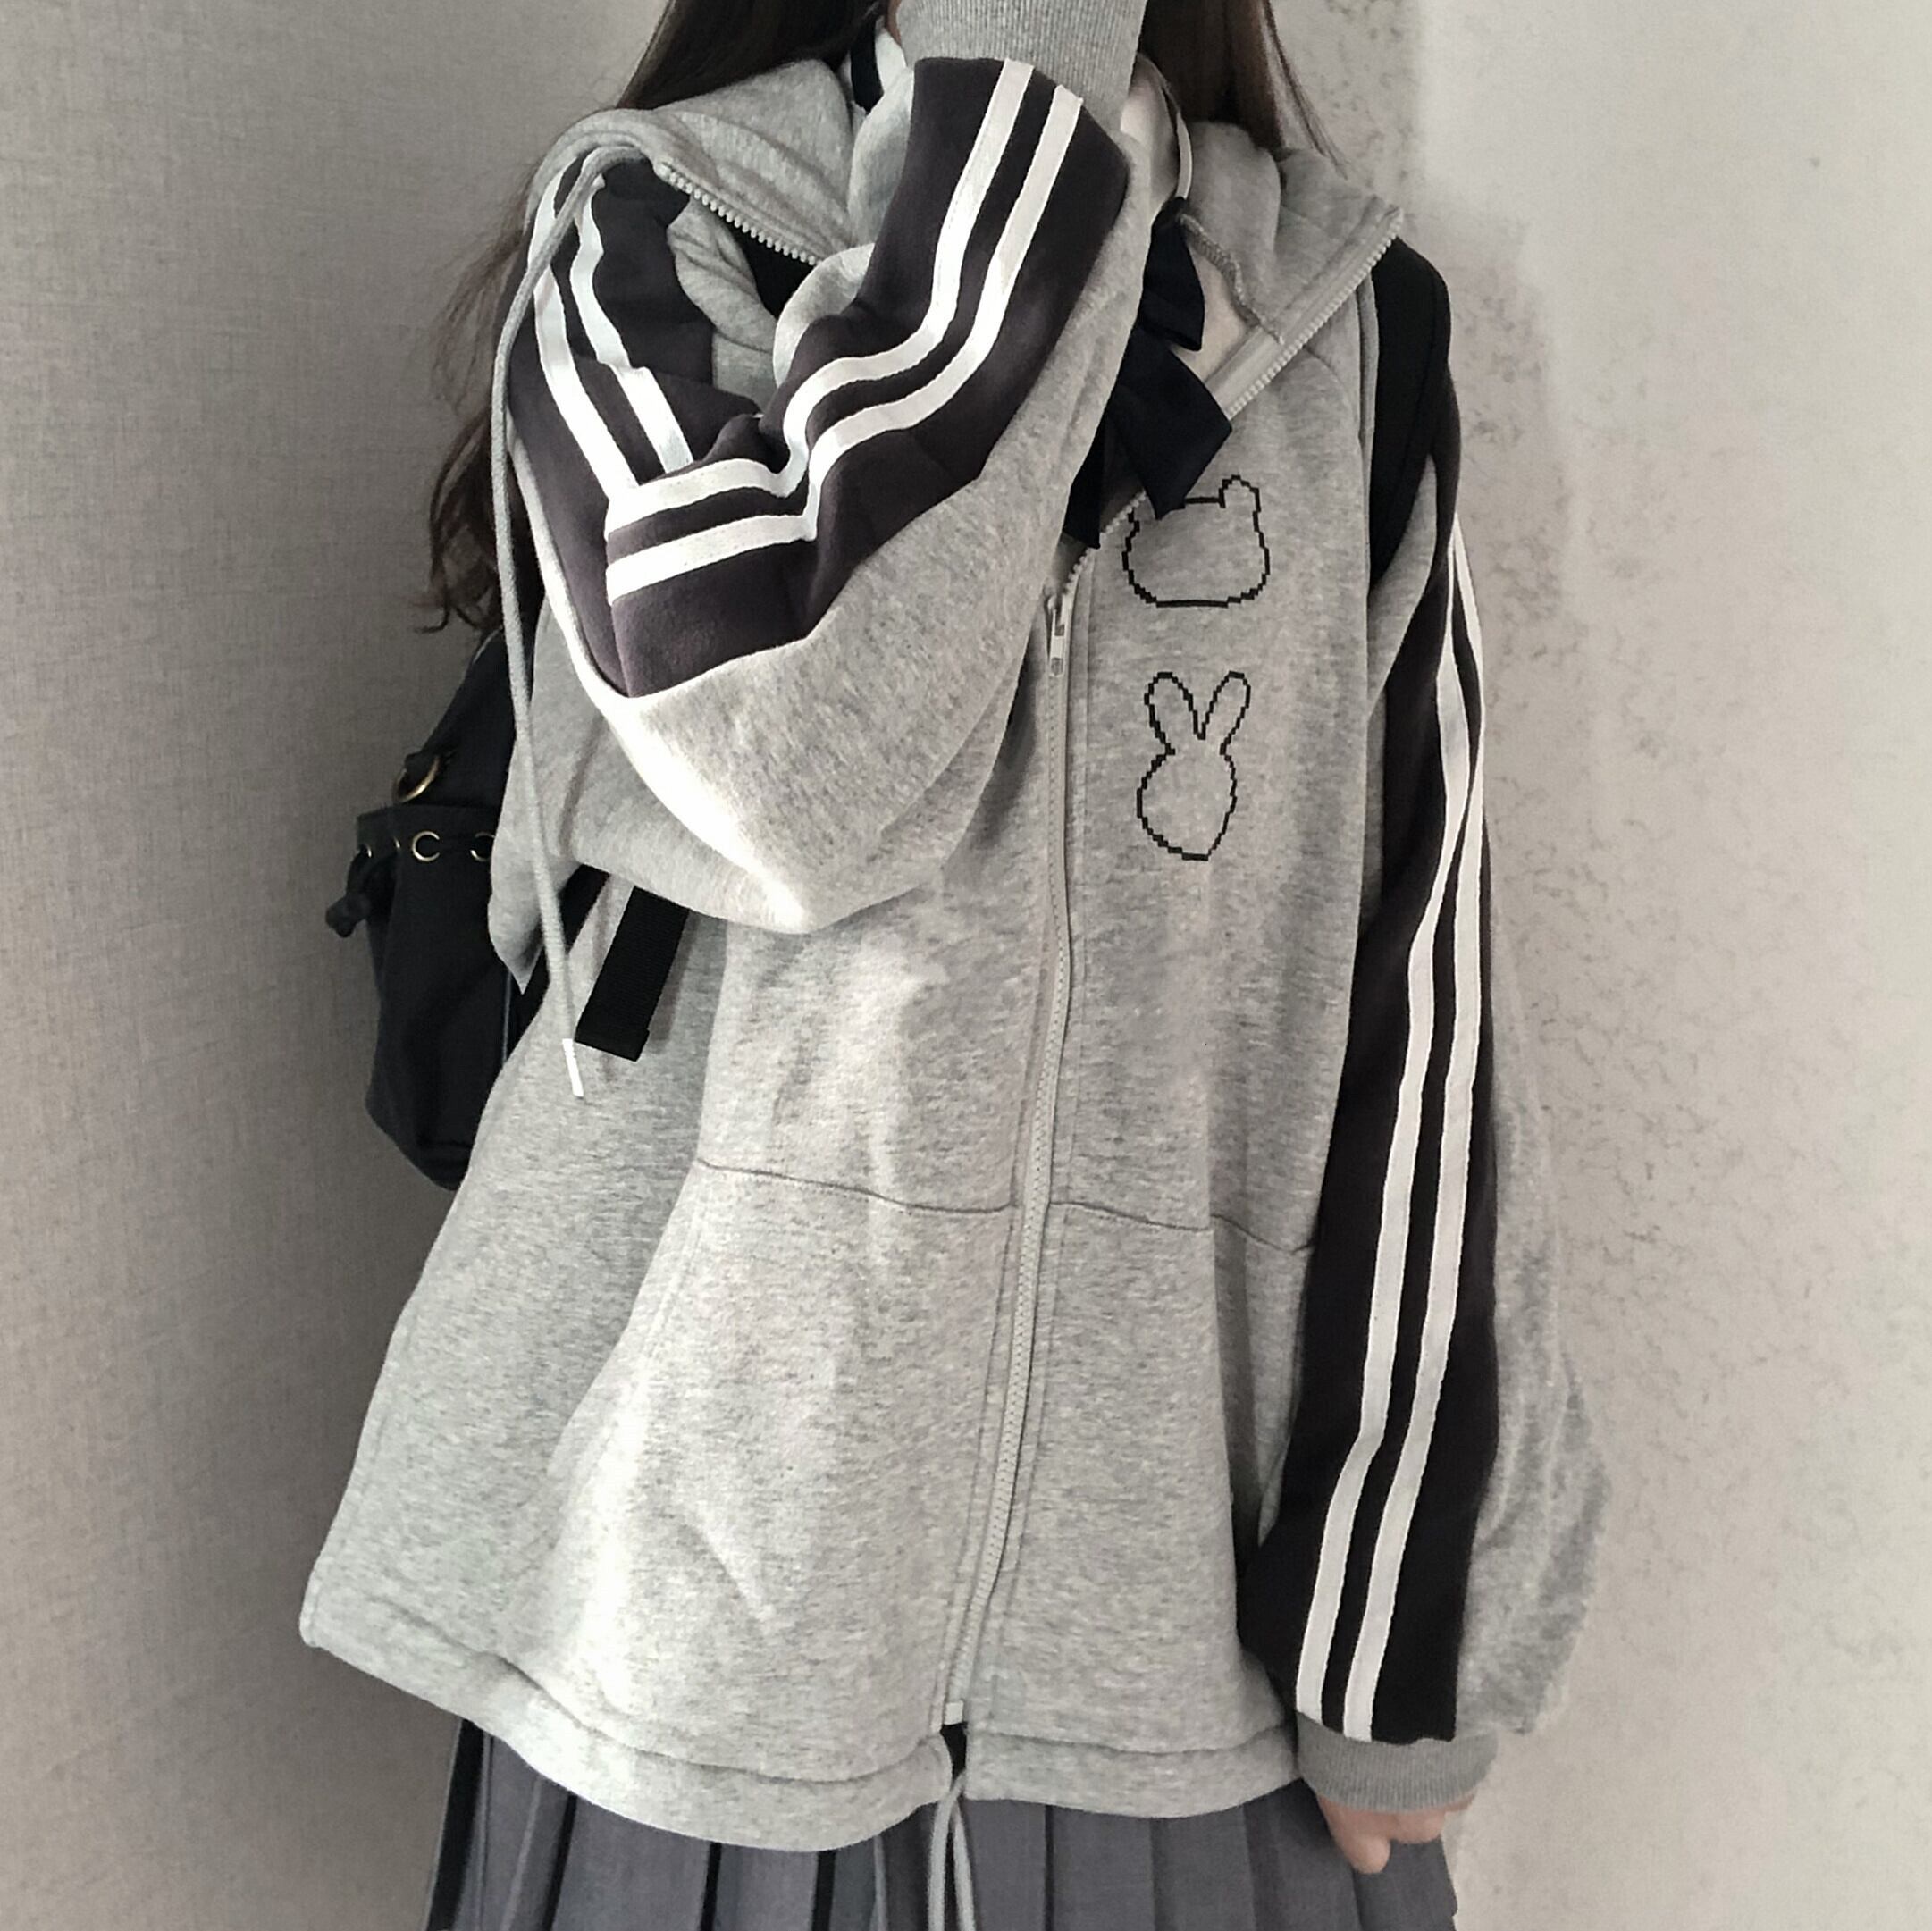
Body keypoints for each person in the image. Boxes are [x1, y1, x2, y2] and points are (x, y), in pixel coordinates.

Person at [299, 1, 1609, 1925]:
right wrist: (1026, 116)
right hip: (697, 1641)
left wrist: (1401, 1629)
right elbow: (791, 772)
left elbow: (1418, 1012)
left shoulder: (1348, 322)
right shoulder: (657, 223)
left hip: (1175, 1651)